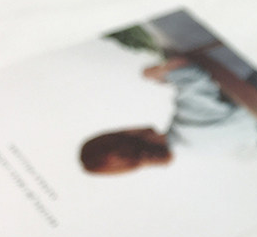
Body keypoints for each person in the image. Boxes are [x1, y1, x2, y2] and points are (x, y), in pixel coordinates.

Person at [80, 56, 238, 175]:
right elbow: (186, 70)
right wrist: (153, 72)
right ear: (127, 133)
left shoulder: (195, 154)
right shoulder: (188, 125)